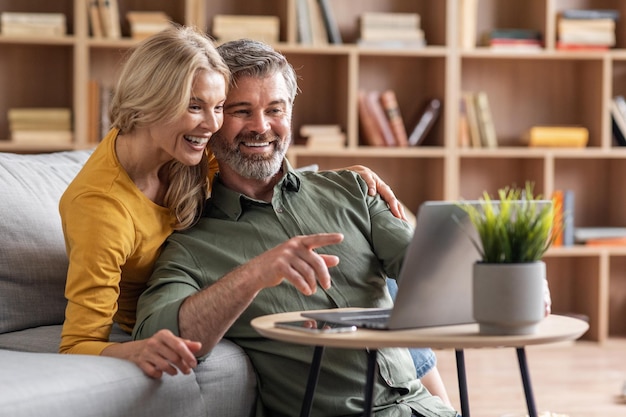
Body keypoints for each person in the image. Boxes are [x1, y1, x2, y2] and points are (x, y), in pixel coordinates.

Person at [133, 38, 459, 417]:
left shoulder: (355, 190)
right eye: (242, 111)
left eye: (275, 109)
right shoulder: (193, 245)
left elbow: (428, 271)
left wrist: (501, 277)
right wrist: (254, 274)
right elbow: (157, 334)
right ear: (216, 120)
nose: (261, 127)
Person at [58, 25, 405, 379]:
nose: (212, 124)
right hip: (172, 299)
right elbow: (77, 344)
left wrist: (340, 183)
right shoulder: (102, 208)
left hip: (221, 260)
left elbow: (257, 158)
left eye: (220, 106)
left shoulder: (185, 147)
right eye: (195, 106)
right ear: (150, 104)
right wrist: (136, 351)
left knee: (367, 251)